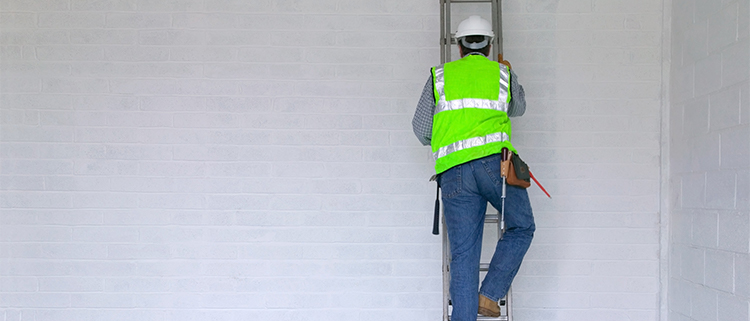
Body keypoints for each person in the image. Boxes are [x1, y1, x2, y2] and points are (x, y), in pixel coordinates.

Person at [411, 15, 535, 320]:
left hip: (454, 173)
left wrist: (449, 137)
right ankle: (489, 295)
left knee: (464, 258)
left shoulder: (440, 77)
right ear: (490, 45)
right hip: (496, 167)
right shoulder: (501, 74)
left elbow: (420, 128)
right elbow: (518, 107)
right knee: (522, 226)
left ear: (458, 46)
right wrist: (508, 72)